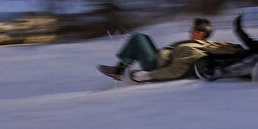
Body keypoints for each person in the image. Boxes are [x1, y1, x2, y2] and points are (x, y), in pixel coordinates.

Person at [96, 18, 244, 82]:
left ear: (201, 33)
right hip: (160, 57)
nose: (190, 31)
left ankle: (118, 71)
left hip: (156, 64)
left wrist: (148, 75)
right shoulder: (196, 44)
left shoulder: (194, 49)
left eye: (193, 29)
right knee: (144, 38)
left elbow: (176, 70)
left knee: (138, 38)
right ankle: (119, 70)